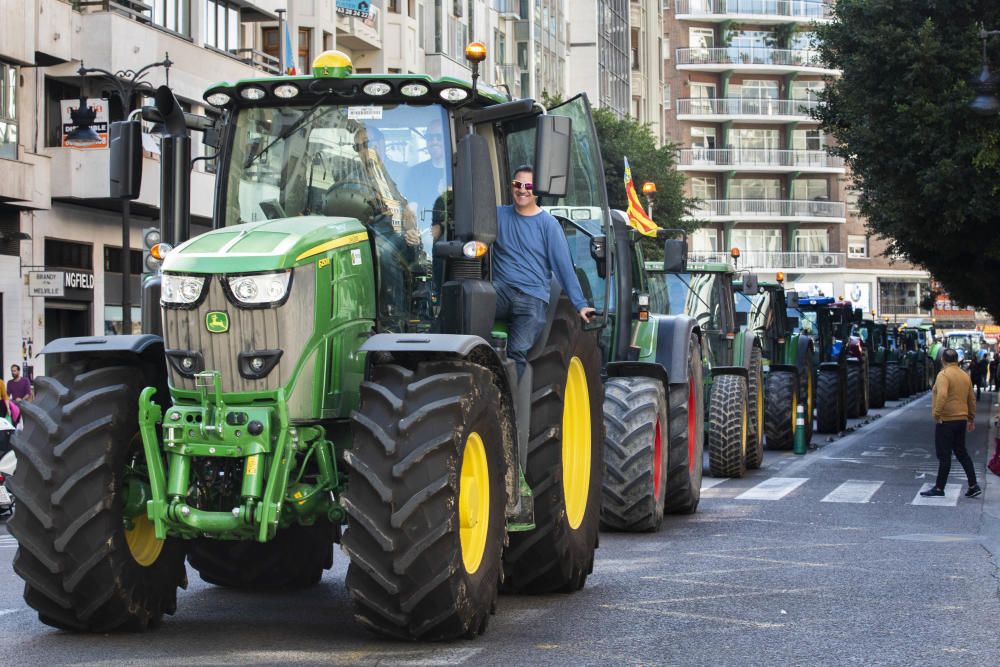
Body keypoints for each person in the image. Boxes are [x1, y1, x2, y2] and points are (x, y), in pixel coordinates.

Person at [492, 165, 596, 377]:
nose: (522, 190)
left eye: (528, 185)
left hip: (532, 298)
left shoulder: (548, 225)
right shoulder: (497, 215)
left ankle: (511, 406)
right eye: (517, 184)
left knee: (516, 352)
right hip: (501, 292)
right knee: (468, 309)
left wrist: (580, 304)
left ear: (537, 191)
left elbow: (564, 267)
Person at [921, 348, 981, 498]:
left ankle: (939, 488)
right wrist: (971, 418)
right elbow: (971, 399)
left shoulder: (943, 375)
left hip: (946, 420)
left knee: (944, 455)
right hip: (961, 420)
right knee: (962, 453)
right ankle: (973, 485)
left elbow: (942, 395)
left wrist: (937, 414)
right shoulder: (964, 375)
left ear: (942, 360)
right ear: (957, 360)